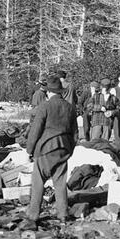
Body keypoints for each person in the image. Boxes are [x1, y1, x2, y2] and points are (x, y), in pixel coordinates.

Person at [19, 74, 78, 230]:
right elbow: (75, 133)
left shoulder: (44, 106)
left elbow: (35, 130)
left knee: (38, 181)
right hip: (63, 148)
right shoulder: (70, 107)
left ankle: (33, 215)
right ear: (60, 91)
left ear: (48, 92)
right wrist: (69, 150)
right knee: (60, 182)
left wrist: (29, 150)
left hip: (46, 148)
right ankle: (63, 215)